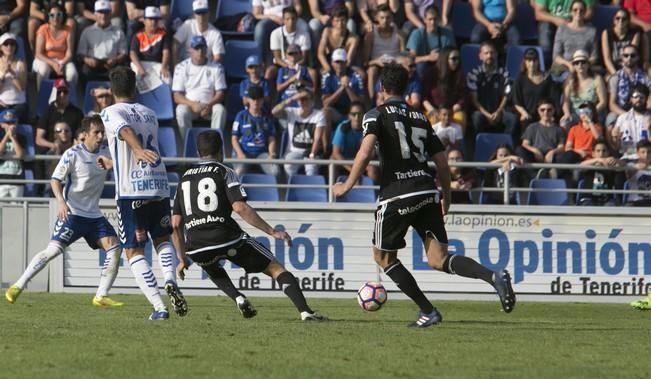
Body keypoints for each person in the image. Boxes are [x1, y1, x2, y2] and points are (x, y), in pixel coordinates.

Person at [332, 63, 516, 328]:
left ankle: (428, 311)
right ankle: (494, 277)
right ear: (406, 89)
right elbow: (442, 162)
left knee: (383, 257)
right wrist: (447, 197)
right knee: (439, 259)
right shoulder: (420, 117)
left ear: (381, 88)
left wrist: (346, 185)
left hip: (397, 194)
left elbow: (365, 152)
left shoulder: (375, 115)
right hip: (428, 191)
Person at [171, 129, 326, 321]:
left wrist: (183, 258)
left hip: (196, 245)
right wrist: (272, 231)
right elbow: (240, 207)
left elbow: (176, 224)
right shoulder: (225, 171)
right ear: (222, 151)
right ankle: (306, 312)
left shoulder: (184, 178)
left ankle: (238, 297)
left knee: (211, 266)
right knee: (276, 268)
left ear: (197, 153)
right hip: (226, 237)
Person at [5, 115, 123, 307]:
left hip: (94, 216)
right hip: (73, 214)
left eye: (103, 132)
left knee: (115, 248)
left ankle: (101, 296)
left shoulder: (107, 152)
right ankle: (18, 286)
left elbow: (122, 166)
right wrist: (61, 202)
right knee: (52, 251)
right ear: (84, 135)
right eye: (96, 132)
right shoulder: (73, 153)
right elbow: (55, 180)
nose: (101, 136)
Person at [100, 66, 187, 321]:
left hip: (131, 190)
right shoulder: (150, 113)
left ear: (111, 89)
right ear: (135, 86)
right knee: (161, 239)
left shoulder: (110, 112)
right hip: (159, 184)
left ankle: (159, 307)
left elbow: (125, 130)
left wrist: (136, 150)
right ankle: (171, 279)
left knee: (133, 251)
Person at [172, 35, 227, 139]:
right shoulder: (181, 67)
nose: (200, 51)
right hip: (190, 106)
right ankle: (188, 143)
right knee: (181, 110)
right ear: (191, 50)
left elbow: (221, 93)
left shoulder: (216, 67)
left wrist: (209, 105)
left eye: (202, 48)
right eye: (197, 48)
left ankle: (214, 143)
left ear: (206, 49)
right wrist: (192, 104)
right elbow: (177, 96)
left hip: (210, 105)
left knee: (220, 110)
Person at [467, 41, 517, 140]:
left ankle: (505, 144)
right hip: (482, 112)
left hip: (499, 111)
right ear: (480, 56)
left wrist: (498, 112)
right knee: (476, 117)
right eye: (486, 53)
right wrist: (487, 115)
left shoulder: (504, 73)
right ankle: (481, 143)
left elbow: (506, 95)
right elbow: (474, 100)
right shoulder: (474, 74)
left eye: (492, 52)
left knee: (512, 119)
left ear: (496, 54)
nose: (489, 55)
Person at [271, 90, 326, 176]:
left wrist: (312, 155)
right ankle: (292, 187)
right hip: (293, 152)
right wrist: (291, 99)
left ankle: (311, 189)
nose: (303, 102)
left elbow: (317, 138)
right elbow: (274, 112)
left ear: (312, 101)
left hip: (311, 151)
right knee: (289, 164)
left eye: (306, 99)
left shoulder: (319, 115)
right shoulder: (291, 112)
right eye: (301, 99)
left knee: (311, 167)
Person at [231, 86, 279, 177]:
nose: (256, 102)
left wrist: (272, 154)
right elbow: (234, 139)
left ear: (262, 100)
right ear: (248, 99)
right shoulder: (241, 116)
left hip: (262, 154)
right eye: (253, 99)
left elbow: (271, 139)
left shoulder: (268, 117)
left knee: (275, 171)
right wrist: (240, 154)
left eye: (258, 99)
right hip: (245, 152)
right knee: (237, 172)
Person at [77, 0, 128, 84]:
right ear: (95, 14)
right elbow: (81, 53)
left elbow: (123, 53)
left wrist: (116, 60)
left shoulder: (118, 32)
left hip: (111, 65)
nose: (103, 16)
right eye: (100, 12)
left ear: (110, 14)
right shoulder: (87, 31)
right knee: (84, 72)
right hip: (93, 65)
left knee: (121, 73)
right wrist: (88, 60)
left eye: (106, 12)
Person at [32, 2, 78, 91]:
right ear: (48, 16)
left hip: (62, 60)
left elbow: (69, 53)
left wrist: (61, 64)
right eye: (52, 15)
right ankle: (42, 96)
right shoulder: (43, 29)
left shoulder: (68, 30)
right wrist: (53, 64)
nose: (55, 18)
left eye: (59, 14)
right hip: (44, 59)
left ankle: (70, 98)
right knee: (43, 70)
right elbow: (38, 54)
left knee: (73, 74)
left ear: (63, 15)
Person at [363, 4, 405, 99]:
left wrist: (397, 61)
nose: (385, 21)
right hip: (377, 64)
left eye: (388, 17)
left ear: (392, 18)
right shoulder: (371, 35)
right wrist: (376, 61)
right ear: (376, 18)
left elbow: (404, 56)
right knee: (371, 70)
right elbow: (365, 62)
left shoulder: (400, 35)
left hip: (395, 63)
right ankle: (372, 100)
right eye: (382, 18)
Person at [331, 100, 378, 182]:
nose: (357, 117)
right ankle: (332, 192)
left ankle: (373, 193)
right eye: (353, 114)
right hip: (345, 159)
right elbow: (336, 153)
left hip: (362, 160)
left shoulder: (369, 128)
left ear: (364, 115)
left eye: (360, 114)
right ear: (349, 116)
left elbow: (371, 154)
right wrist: (353, 171)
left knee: (372, 167)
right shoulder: (343, 127)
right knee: (332, 159)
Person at [605, 44, 651, 128]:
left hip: (641, 110)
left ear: (638, 57)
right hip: (621, 111)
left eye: (632, 55)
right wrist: (627, 115)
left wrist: (641, 114)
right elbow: (612, 104)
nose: (629, 58)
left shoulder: (646, 78)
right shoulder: (615, 78)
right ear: (622, 58)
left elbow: (649, 101)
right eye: (626, 55)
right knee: (610, 119)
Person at [560, 50, 607, 129]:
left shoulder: (597, 79)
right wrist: (567, 113)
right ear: (574, 65)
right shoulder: (569, 80)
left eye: (583, 62)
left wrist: (590, 113)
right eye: (577, 63)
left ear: (588, 64)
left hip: (594, 113)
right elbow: (566, 101)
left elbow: (603, 102)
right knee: (564, 124)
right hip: (576, 114)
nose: (580, 65)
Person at [422, 47, 466, 131]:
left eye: (458, 59)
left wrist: (449, 112)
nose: (456, 62)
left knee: (460, 118)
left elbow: (463, 98)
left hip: (452, 110)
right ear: (445, 59)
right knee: (432, 120)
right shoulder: (431, 73)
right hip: (433, 109)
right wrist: (433, 111)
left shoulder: (460, 75)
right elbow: (424, 97)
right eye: (453, 59)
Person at [406, 5, 456, 79]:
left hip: (441, 65)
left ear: (439, 19)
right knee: (421, 66)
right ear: (424, 20)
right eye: (430, 19)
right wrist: (428, 57)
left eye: (435, 19)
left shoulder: (447, 34)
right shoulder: (417, 34)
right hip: (423, 69)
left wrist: (440, 57)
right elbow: (411, 59)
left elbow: (452, 55)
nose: (432, 22)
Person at [129, 6, 171, 94]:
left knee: (167, 78)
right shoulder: (138, 35)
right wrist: (140, 68)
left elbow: (166, 52)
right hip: (141, 63)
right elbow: (132, 53)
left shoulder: (163, 34)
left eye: (156, 19)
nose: (153, 22)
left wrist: (164, 66)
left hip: (157, 64)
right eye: (150, 19)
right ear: (144, 20)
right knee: (135, 76)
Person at [512, 47, 556, 127]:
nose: (532, 64)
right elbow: (516, 101)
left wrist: (549, 114)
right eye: (529, 61)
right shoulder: (520, 79)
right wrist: (523, 112)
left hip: (544, 114)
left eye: (534, 60)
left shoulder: (546, 77)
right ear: (525, 62)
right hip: (527, 115)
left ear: (538, 61)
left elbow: (552, 98)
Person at [172, 0, 224, 67]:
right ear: (194, 15)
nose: (201, 16)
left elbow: (218, 57)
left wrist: (210, 71)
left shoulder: (216, 34)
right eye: (198, 13)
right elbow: (175, 43)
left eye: (204, 13)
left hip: (205, 68)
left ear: (209, 13)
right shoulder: (188, 25)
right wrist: (176, 65)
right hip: (185, 67)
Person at [551, 0, 597, 74]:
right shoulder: (562, 29)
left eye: (581, 10)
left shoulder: (592, 31)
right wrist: (569, 65)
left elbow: (594, 56)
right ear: (571, 12)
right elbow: (556, 56)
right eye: (575, 10)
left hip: (584, 68)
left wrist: (581, 65)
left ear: (585, 12)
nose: (578, 12)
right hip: (565, 68)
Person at [609, 84, 651, 161]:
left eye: (641, 97)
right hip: (628, 157)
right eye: (635, 97)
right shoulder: (622, 118)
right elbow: (618, 147)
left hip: (647, 159)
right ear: (631, 99)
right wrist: (615, 138)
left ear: (646, 99)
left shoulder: (649, 118)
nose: (638, 99)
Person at [517, 99, 565, 164]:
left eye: (549, 110)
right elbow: (525, 144)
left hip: (552, 156)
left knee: (567, 155)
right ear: (538, 111)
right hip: (535, 155)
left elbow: (561, 147)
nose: (546, 112)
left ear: (554, 111)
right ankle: (535, 173)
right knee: (520, 150)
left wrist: (552, 152)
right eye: (542, 110)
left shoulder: (559, 129)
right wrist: (535, 150)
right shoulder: (532, 127)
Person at [601, 8, 646, 77]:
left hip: (631, 68)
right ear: (614, 20)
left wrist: (626, 75)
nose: (620, 21)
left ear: (628, 21)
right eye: (618, 18)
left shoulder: (635, 33)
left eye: (624, 19)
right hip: (612, 69)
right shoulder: (606, 33)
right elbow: (607, 59)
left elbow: (631, 56)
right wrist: (616, 75)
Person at [577, 139, 621, 206]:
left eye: (604, 151)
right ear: (593, 153)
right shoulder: (589, 165)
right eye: (598, 151)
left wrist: (616, 160)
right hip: (588, 199)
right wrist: (597, 160)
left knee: (611, 207)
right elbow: (580, 166)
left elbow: (624, 165)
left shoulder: (611, 166)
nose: (601, 154)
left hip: (606, 200)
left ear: (608, 153)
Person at [317, 7, 359, 73]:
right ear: (332, 22)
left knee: (362, 74)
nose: (340, 24)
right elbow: (320, 53)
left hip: (344, 66)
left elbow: (349, 60)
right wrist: (327, 68)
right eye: (337, 20)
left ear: (347, 20)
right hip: (330, 63)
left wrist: (340, 71)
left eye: (343, 20)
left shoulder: (354, 38)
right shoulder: (327, 31)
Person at [0, 33, 28, 123]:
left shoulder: (21, 64)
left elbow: (21, 87)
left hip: (18, 105)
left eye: (12, 44)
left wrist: (12, 73)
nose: (9, 46)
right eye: (6, 44)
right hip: (2, 104)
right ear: (1, 47)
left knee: (10, 119)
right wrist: (3, 74)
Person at [0, 108, 24, 198]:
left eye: (13, 123)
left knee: (17, 208)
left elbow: (20, 154)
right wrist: (6, 136)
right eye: (8, 123)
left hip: (17, 180)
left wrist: (13, 138)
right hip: (1, 180)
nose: (11, 126)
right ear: (2, 124)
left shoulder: (21, 137)